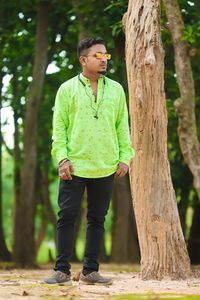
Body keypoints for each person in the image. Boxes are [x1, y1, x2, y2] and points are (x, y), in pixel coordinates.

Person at [44, 37, 135, 285]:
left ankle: (90, 271)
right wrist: (62, 158)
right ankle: (61, 270)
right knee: (67, 216)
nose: (104, 59)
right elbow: (59, 128)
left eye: (105, 55)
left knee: (97, 219)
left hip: (106, 165)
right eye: (98, 55)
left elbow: (122, 127)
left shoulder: (116, 89)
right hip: (74, 165)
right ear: (83, 60)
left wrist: (124, 157)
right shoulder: (67, 89)